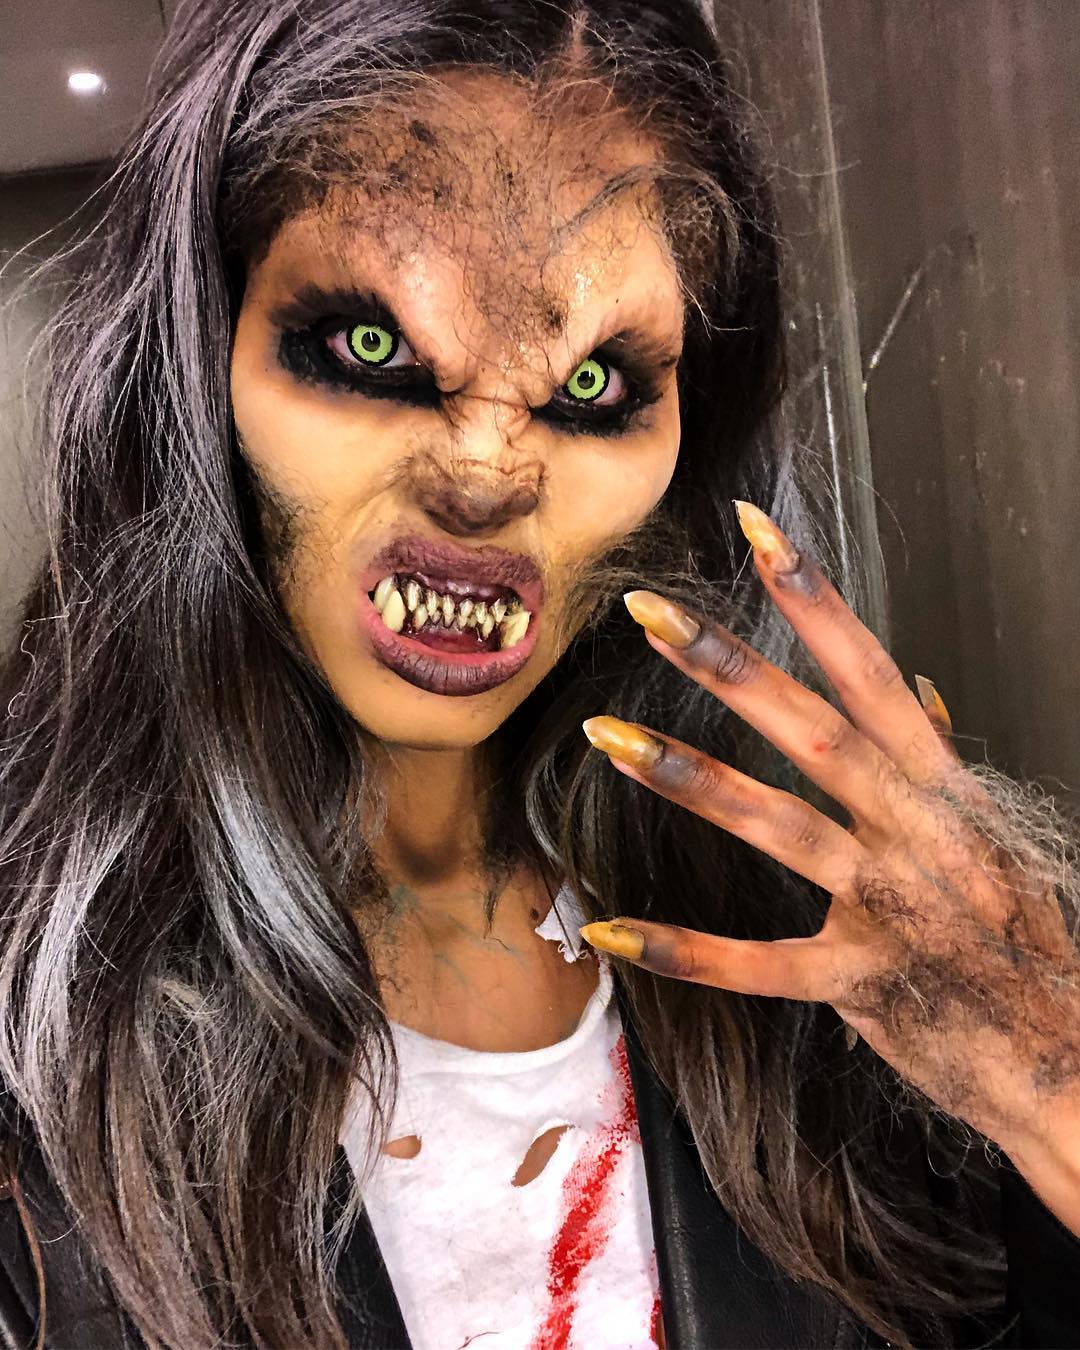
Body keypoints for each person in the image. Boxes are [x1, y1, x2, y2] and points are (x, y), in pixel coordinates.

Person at [1, 1, 1079, 1346]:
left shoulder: (819, 953)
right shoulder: (32, 1018)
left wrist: (1056, 1095)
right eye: (372, 346)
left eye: (592, 387)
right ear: (197, 365)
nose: (484, 480)